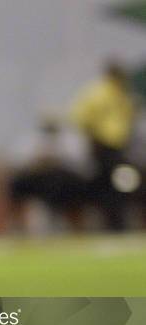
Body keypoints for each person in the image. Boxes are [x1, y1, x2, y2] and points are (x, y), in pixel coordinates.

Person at [70, 59, 137, 230]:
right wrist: (93, 138)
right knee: (108, 185)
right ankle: (112, 223)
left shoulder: (122, 93)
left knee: (119, 184)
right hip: (102, 146)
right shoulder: (97, 93)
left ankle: (116, 223)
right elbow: (80, 118)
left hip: (119, 147)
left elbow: (129, 119)